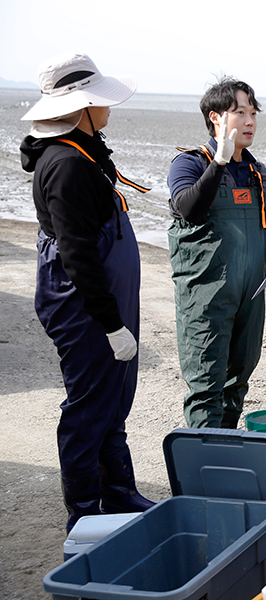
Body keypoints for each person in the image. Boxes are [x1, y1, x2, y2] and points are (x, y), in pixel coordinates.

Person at [19, 52, 155, 531]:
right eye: (101, 101)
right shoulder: (65, 166)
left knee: (111, 402)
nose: (109, 109)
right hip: (84, 306)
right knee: (87, 407)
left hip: (104, 299)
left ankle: (119, 495)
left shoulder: (85, 151)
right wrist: (111, 323)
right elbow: (77, 255)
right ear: (81, 109)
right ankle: (85, 513)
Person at [168, 77, 266, 429]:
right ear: (215, 118)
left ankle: (224, 452)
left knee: (237, 381)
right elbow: (188, 208)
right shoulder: (189, 163)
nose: (250, 121)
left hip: (250, 296)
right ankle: (202, 471)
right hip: (207, 297)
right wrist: (218, 164)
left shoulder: (258, 173)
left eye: (254, 113)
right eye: (240, 113)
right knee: (206, 384)